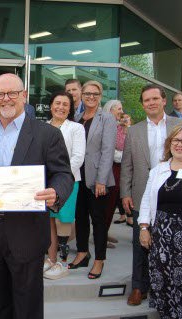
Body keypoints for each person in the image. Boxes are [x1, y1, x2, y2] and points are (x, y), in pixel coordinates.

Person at [0, 73, 74, 319]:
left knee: (27, 306)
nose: (6, 99)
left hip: (27, 230)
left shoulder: (47, 133)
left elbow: (63, 174)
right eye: (0, 94)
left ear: (24, 96)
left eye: (12, 93)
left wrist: (56, 192)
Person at [120, 84, 182, 306]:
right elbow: (127, 165)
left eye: (155, 98)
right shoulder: (134, 130)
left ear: (164, 100)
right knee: (141, 242)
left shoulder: (181, 126)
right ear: (142, 104)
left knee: (170, 242)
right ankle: (139, 286)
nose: (151, 103)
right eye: (147, 100)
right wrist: (125, 193)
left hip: (174, 192)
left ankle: (167, 287)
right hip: (141, 192)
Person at [138, 122, 182, 318]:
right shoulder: (159, 169)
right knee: (165, 284)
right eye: (175, 140)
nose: (179, 144)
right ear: (169, 144)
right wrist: (144, 227)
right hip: (161, 238)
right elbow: (146, 199)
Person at [68, 81, 116, 280]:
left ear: (100, 95)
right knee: (79, 217)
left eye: (95, 93)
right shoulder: (78, 118)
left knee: (98, 220)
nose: (91, 97)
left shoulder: (107, 118)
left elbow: (107, 151)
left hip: (98, 178)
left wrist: (101, 180)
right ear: (81, 94)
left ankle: (99, 260)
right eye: (87, 93)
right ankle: (82, 253)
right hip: (78, 177)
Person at [44, 91, 85, 280]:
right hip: (46, 183)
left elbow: (78, 156)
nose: (60, 107)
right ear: (51, 105)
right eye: (57, 103)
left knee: (64, 221)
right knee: (49, 221)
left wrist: (63, 176)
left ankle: (63, 262)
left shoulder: (76, 128)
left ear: (70, 109)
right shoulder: (41, 127)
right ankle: (51, 259)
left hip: (68, 181)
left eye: (65, 105)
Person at [102, 100, 128, 246]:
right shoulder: (107, 126)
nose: (121, 111)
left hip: (119, 169)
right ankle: (101, 235)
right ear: (110, 110)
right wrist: (125, 156)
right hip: (110, 168)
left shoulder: (120, 127)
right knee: (107, 203)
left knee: (112, 204)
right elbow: (109, 151)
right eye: (119, 108)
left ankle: (105, 232)